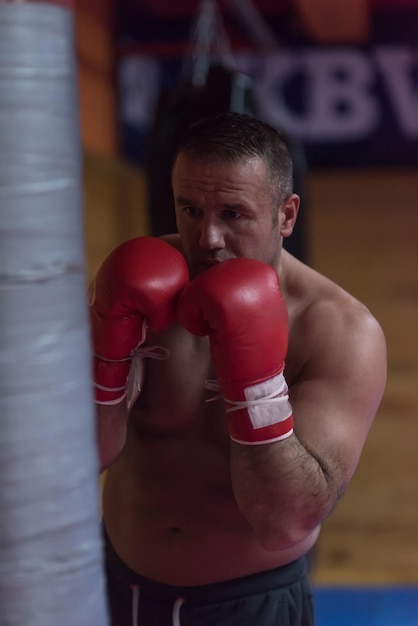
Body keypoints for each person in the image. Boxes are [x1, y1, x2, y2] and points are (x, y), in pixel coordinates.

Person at [90, 112, 387, 626]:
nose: (207, 238)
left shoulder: (338, 331)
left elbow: (285, 522)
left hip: (251, 605)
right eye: (191, 209)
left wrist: (257, 383)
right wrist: (106, 360)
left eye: (233, 213)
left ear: (287, 215)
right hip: (116, 585)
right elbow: (84, 457)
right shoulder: (131, 291)